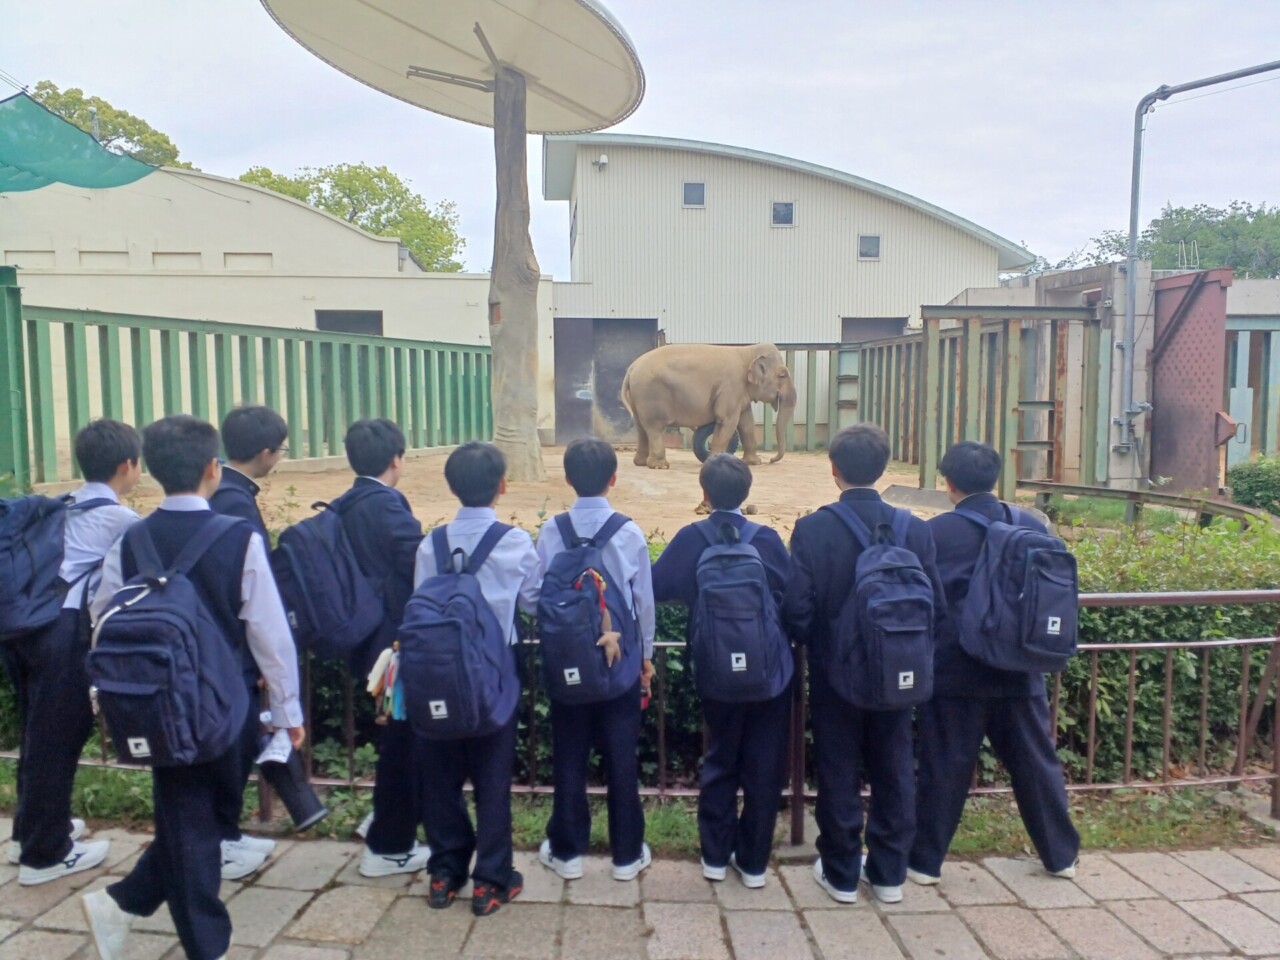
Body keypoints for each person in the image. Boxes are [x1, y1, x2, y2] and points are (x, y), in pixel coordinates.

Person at [81, 414, 304, 960]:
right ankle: (206, 945)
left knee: (196, 820)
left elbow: (103, 614)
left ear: (152, 470)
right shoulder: (238, 538)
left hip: (159, 702)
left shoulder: (132, 539)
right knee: (199, 821)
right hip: (229, 703)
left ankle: (123, 902)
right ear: (213, 468)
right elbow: (270, 634)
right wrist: (287, 710)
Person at [783, 424, 945, 905]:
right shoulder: (915, 528)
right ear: (884, 467)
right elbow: (936, 606)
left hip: (835, 672)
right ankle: (890, 874)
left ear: (833, 468)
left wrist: (819, 643)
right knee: (895, 766)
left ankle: (840, 874)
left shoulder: (814, 529)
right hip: (900, 670)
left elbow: (797, 608)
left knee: (838, 768)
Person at [908, 441, 1079, 885]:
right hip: (1021, 667)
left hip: (956, 671)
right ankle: (1060, 856)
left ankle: (924, 862)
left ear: (948, 483)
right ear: (995, 478)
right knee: (1035, 764)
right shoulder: (1031, 525)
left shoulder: (934, 533)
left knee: (945, 766)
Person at [5, 419, 141, 885]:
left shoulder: (60, 505)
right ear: (127, 465)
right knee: (58, 739)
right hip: (62, 634)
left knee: (37, 734)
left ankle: (30, 832)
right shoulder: (121, 519)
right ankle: (45, 856)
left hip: (23, 629)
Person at [652, 454, 791, 888]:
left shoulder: (690, 539)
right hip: (769, 673)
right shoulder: (766, 539)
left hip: (715, 670)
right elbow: (793, 594)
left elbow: (657, 587)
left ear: (705, 493)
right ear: (747, 491)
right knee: (764, 767)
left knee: (720, 756)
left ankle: (714, 855)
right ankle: (753, 864)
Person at [415, 441, 538, 916]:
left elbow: (420, 603)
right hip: (494, 672)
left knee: (440, 776)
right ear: (502, 486)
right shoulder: (514, 542)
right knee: (492, 778)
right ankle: (491, 880)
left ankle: (444, 873)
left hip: (436, 672)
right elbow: (534, 603)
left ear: (451, 488)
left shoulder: (431, 544)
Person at [535, 437, 655, 884]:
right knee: (621, 757)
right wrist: (645, 659)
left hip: (567, 661)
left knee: (569, 754)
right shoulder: (628, 532)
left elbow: (536, 596)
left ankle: (567, 852)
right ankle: (626, 855)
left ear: (567, 479)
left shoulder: (552, 531)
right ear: (614, 479)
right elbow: (643, 604)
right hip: (618, 661)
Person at [329, 418, 428, 878]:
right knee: (403, 743)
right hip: (392, 642)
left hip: (362, 636)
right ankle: (388, 847)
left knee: (394, 737)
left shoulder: (344, 503)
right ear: (396, 460)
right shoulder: (386, 504)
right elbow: (417, 563)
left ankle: (382, 819)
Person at [209, 404, 290, 880]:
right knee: (231, 748)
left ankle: (224, 836)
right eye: (281, 451)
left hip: (214, 644)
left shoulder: (222, 491)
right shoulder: (236, 502)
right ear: (265, 453)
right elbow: (254, 589)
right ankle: (219, 842)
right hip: (231, 649)